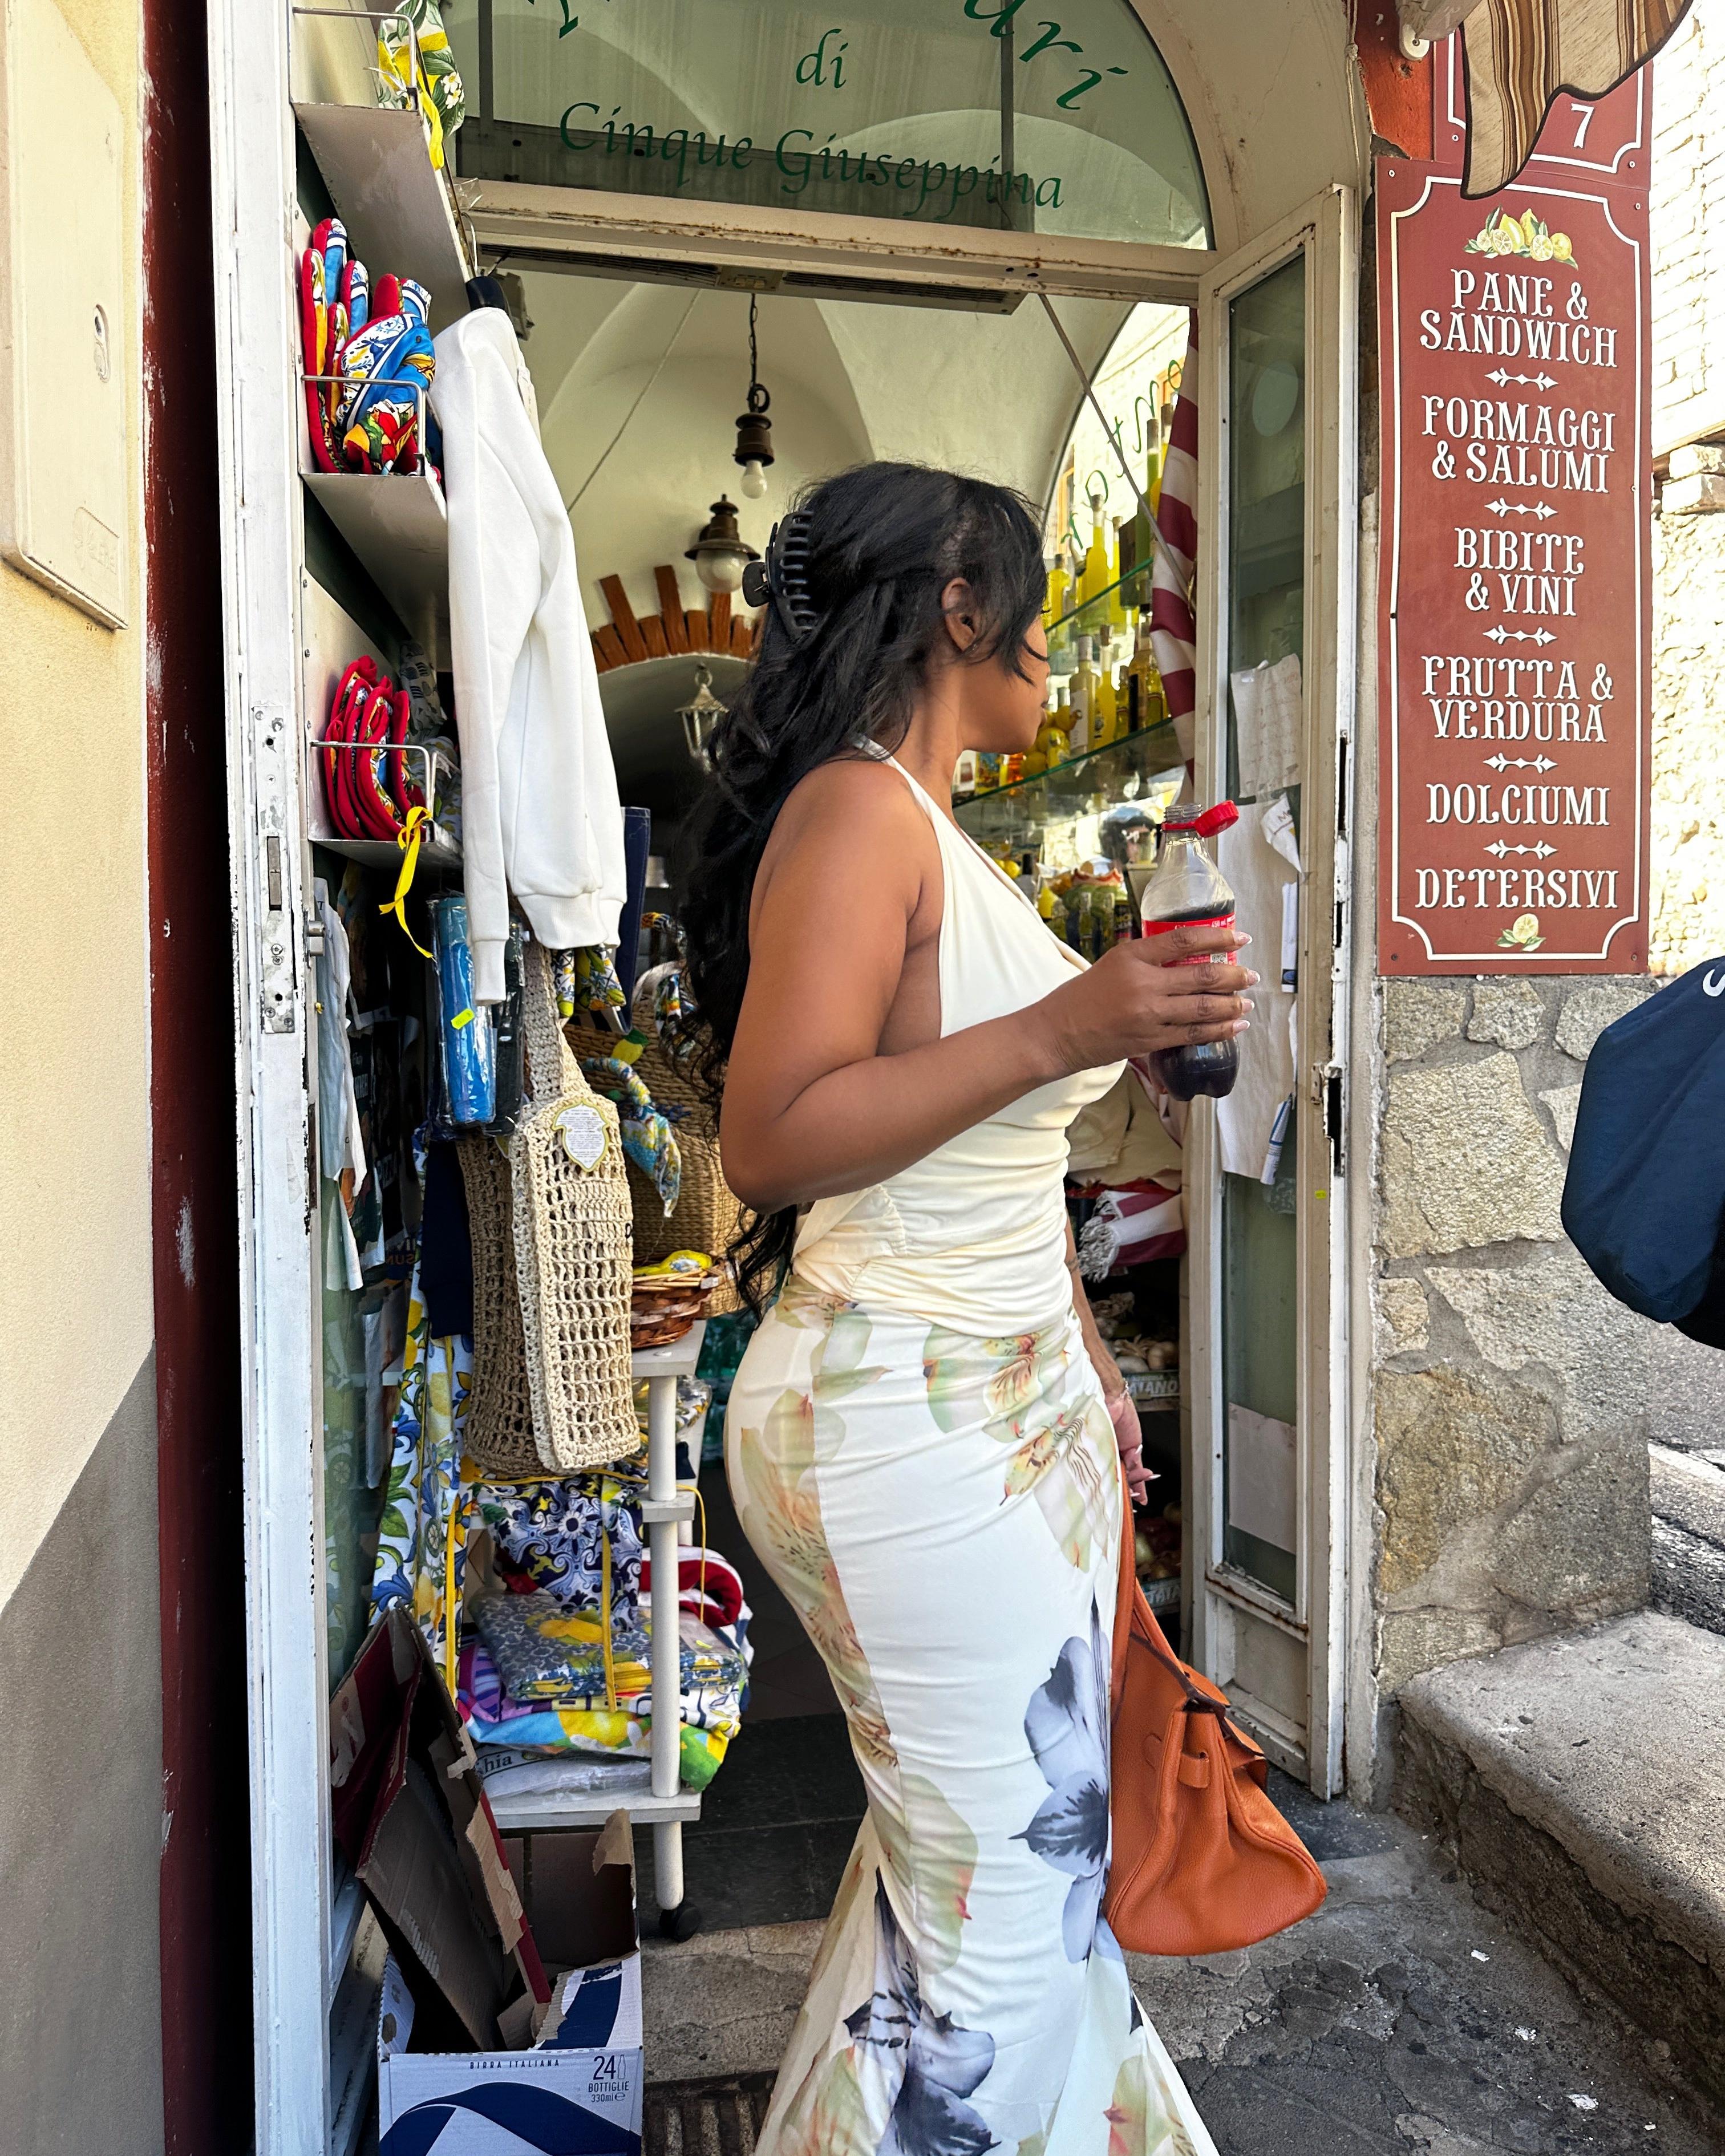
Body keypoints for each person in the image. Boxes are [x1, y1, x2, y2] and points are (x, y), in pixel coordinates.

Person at [679, 464, 1253, 2156]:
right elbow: (775, 1135)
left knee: (996, 1899)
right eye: (1032, 614)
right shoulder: (858, 812)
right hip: (907, 1423)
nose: (1062, 669)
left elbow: (969, 1146)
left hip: (986, 1404)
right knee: (1005, 1925)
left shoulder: (929, 830)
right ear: (956, 604)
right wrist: (1072, 1027)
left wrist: (1084, 1348)